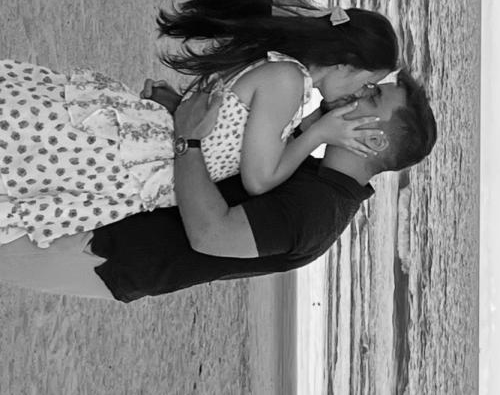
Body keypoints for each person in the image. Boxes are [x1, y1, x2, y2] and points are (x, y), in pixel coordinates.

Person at [0, 0, 398, 248]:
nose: (361, 94)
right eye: (369, 84)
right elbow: (259, 179)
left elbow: (231, 129)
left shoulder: (282, 68)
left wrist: (311, 126)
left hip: (137, 150)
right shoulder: (288, 81)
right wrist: (318, 135)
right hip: (125, 161)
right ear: (347, 63)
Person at [0, 69, 437, 301]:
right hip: (102, 209)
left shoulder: (319, 214)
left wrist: (186, 140)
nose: (358, 92)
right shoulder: (312, 170)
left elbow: (212, 233)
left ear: (375, 141)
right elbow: (228, 164)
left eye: (372, 97)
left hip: (104, 252)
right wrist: (177, 119)